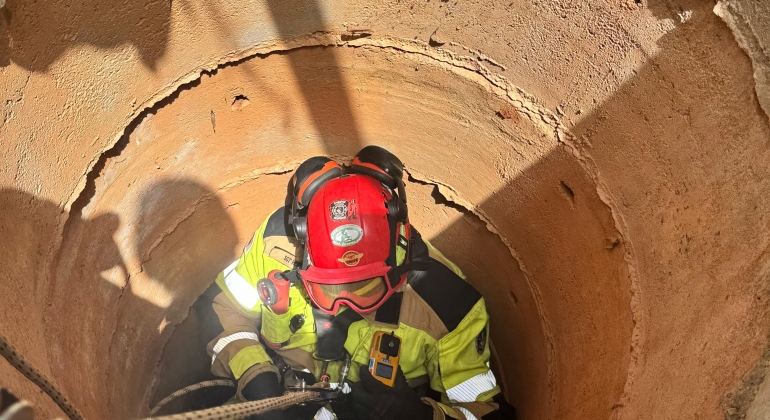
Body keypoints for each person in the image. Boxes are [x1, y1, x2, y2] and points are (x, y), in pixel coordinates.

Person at [206, 146, 516, 420]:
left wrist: (421, 415)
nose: (345, 300)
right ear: (304, 243)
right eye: (329, 289)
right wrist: (256, 378)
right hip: (283, 393)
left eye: (366, 287)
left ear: (396, 264)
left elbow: (483, 411)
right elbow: (227, 312)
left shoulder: (449, 307)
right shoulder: (274, 247)